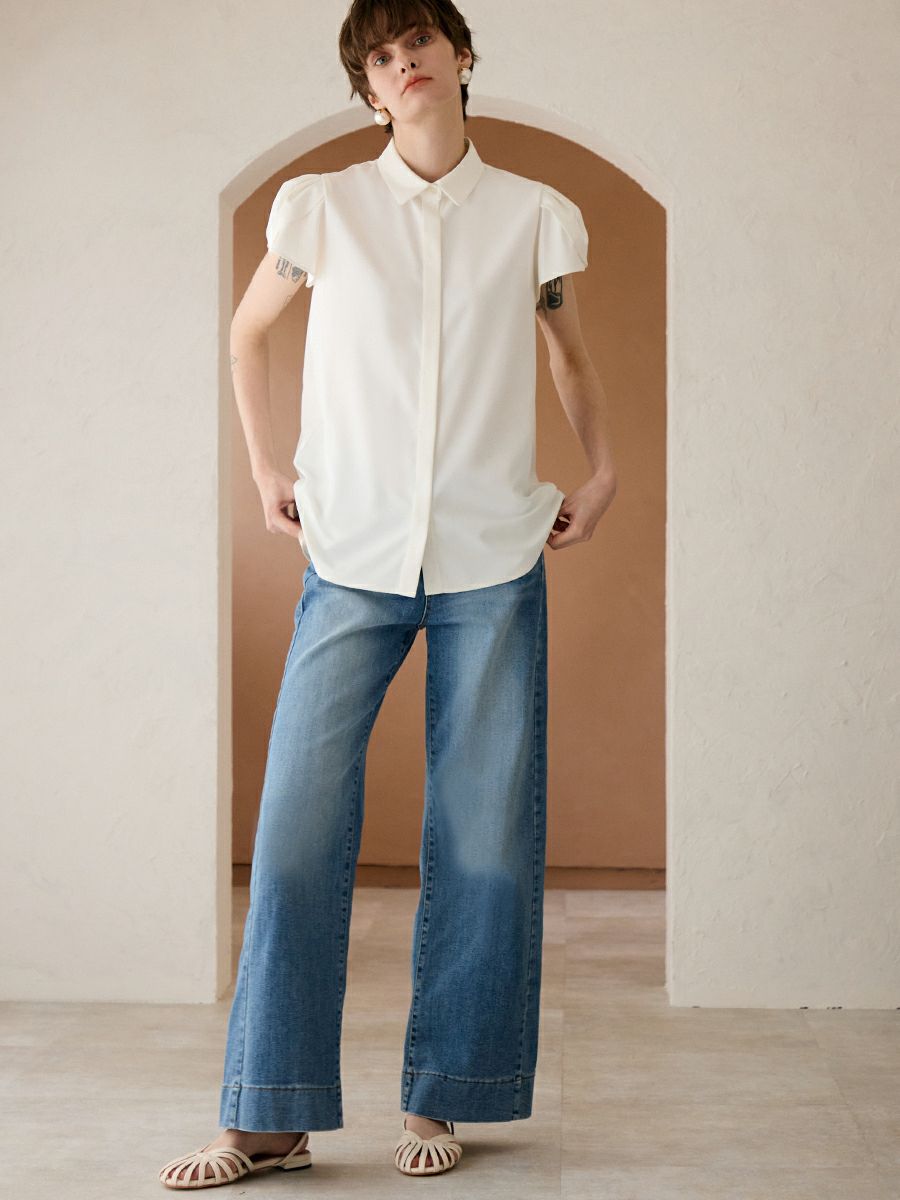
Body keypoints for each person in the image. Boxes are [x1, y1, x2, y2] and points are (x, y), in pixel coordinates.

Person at [159, 0, 616, 1187]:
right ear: (367, 92)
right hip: (352, 554)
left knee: (484, 834)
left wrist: (604, 470)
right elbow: (247, 334)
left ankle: (447, 1095)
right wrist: (266, 466)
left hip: (491, 556)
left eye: (418, 43)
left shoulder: (532, 215)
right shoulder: (319, 208)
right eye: (378, 56)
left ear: (460, 58)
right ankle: (269, 1116)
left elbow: (568, 354)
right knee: (296, 826)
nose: (401, 62)